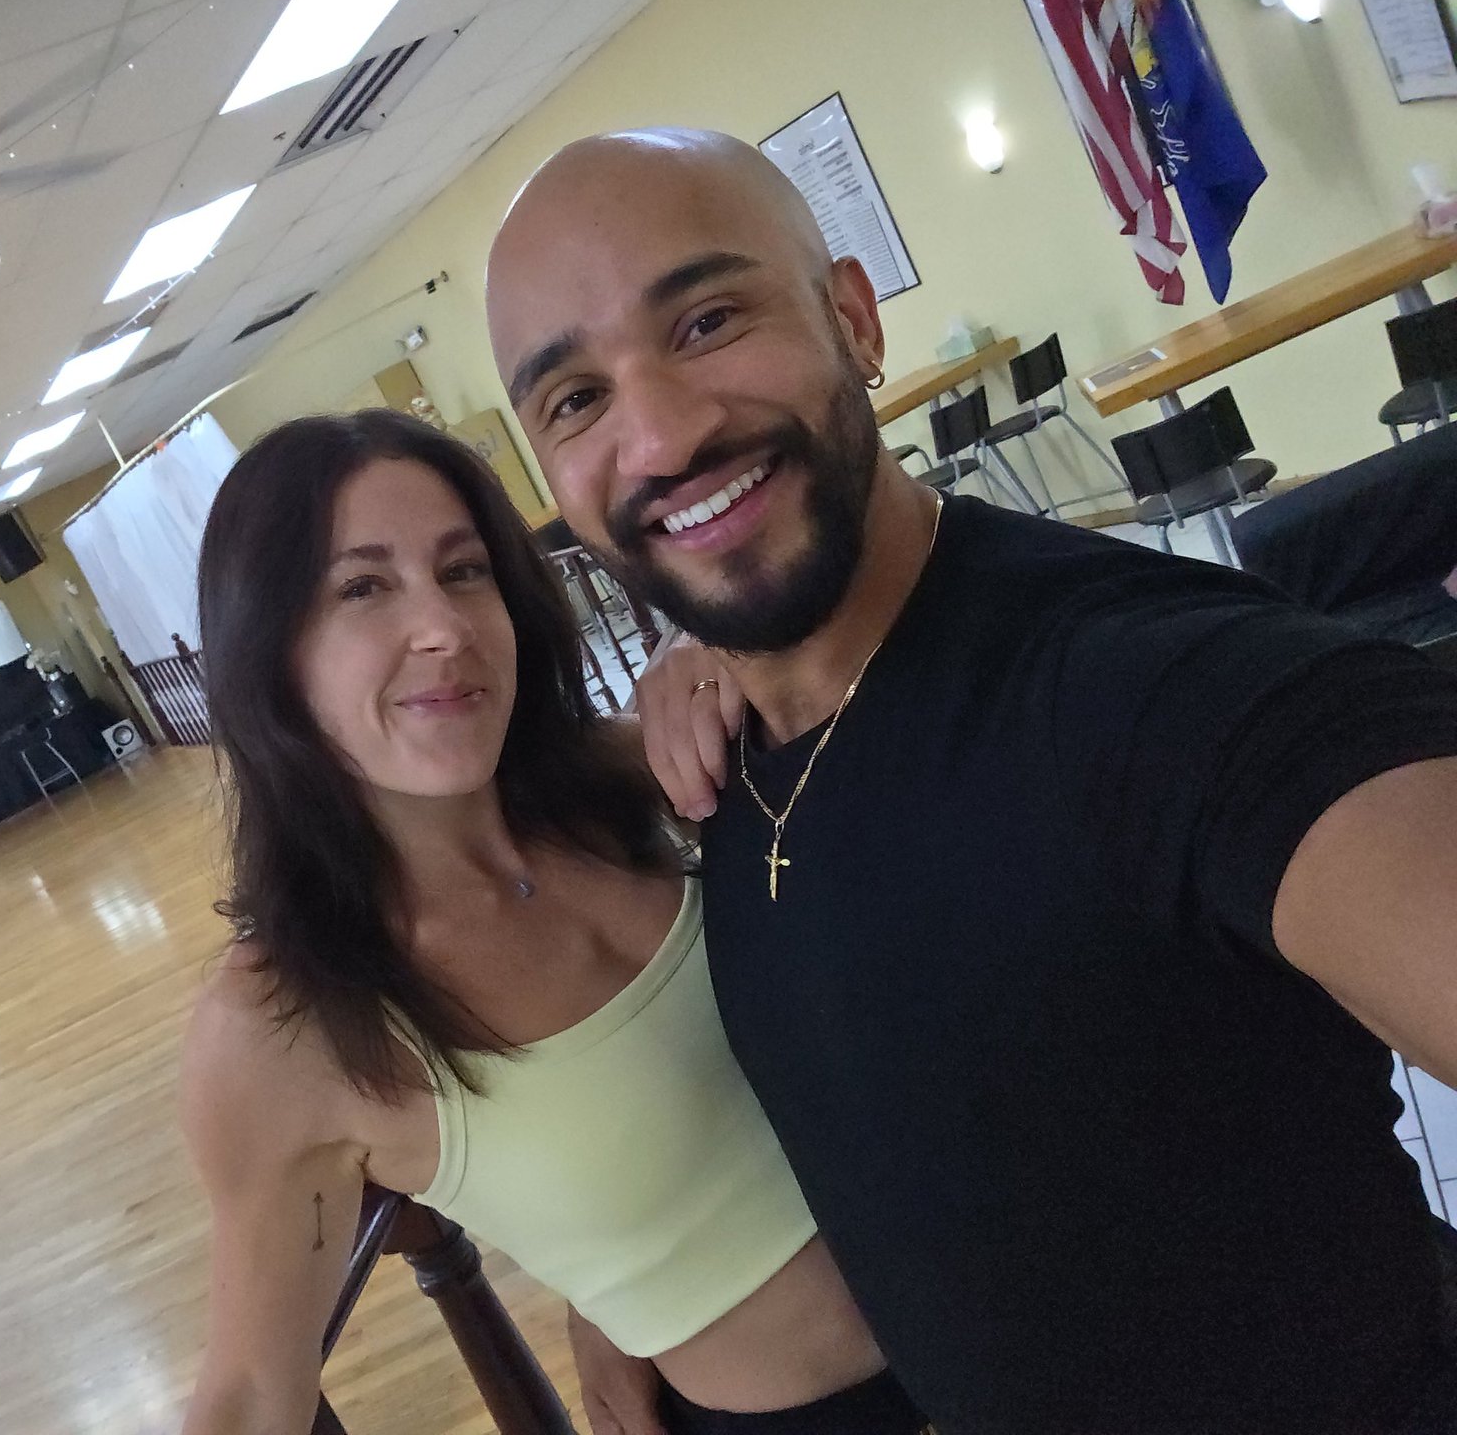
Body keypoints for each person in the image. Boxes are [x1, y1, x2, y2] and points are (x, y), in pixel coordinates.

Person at [484, 127, 1457, 1434]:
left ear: (851, 320)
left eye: (708, 321)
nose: (658, 436)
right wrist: (620, 1302)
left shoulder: (1142, 693)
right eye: (577, 399)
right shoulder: (725, 759)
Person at [179, 409, 930, 1435]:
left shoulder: (628, 783)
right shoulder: (285, 1021)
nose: (442, 627)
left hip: (1022, 1314)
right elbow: (251, 1393)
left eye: (465, 570)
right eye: (362, 587)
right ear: (270, 652)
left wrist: (709, 650)